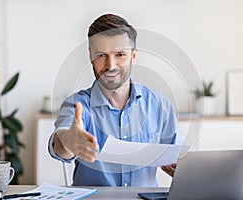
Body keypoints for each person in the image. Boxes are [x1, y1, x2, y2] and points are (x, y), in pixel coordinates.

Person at [48, 13, 181, 186]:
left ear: (133, 55)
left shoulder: (160, 105)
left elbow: (179, 160)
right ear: (90, 56)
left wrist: (180, 169)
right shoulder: (77, 105)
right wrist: (68, 142)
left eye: (119, 55)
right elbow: (61, 146)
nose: (110, 65)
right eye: (101, 55)